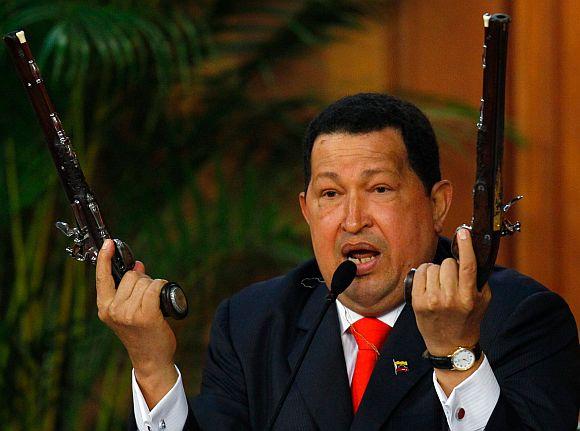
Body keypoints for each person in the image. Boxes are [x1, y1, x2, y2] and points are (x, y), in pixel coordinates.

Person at [96, 93, 579, 431]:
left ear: (437, 204)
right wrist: (154, 369)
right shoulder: (253, 322)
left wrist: (458, 357)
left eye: (379, 189)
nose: (352, 220)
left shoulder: (519, 316)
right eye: (330, 194)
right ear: (305, 210)